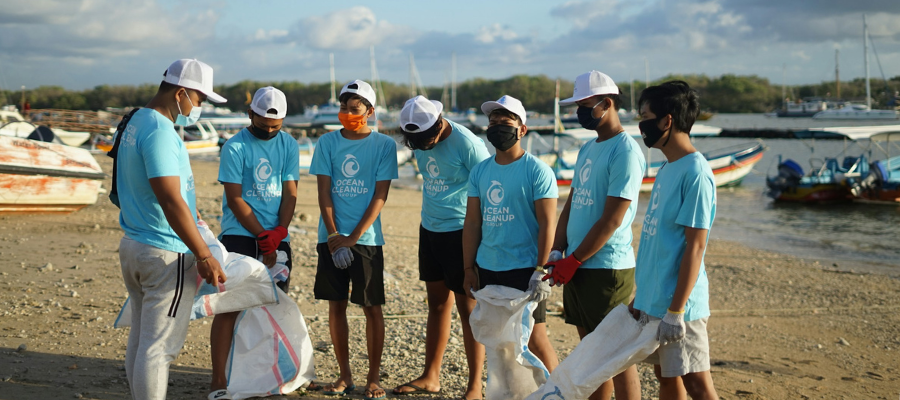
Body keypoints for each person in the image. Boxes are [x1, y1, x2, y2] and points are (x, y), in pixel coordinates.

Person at [115, 59, 227, 400]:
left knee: (142, 340)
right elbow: (170, 198)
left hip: (134, 242)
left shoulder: (135, 120)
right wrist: (203, 253)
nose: (200, 107)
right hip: (166, 251)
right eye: (200, 99)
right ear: (181, 93)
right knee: (159, 349)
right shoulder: (161, 132)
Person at [544, 71, 645, 400]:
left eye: (586, 105)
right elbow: (573, 203)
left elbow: (613, 218)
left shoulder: (625, 152)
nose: (581, 112)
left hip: (606, 268)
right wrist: (558, 250)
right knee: (591, 352)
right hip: (577, 264)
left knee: (616, 357)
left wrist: (575, 259)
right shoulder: (589, 149)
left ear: (608, 103)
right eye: (578, 106)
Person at [392, 96, 491, 400]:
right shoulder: (422, 141)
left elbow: (487, 191)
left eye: (424, 139)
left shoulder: (468, 144)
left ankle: (475, 385)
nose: (421, 146)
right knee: (436, 304)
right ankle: (430, 376)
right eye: (415, 142)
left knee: (468, 310)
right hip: (430, 229)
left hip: (461, 232)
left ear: (438, 123)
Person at [207, 86, 299, 400]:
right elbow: (234, 198)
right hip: (240, 236)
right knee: (230, 308)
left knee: (271, 310)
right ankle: (218, 379)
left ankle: (266, 379)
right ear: (251, 115)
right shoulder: (235, 147)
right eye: (263, 125)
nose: (270, 131)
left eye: (276, 126)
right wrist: (261, 235)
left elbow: (291, 192)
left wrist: (279, 231)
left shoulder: (289, 144)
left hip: (276, 238)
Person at [310, 80, 399, 400]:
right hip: (331, 237)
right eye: (344, 108)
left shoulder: (384, 146)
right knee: (337, 307)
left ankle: (373, 379)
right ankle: (344, 375)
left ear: (370, 112)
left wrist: (354, 237)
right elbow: (324, 191)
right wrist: (335, 235)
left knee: (371, 307)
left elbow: (380, 195)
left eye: (355, 108)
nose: (347, 113)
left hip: (367, 240)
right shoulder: (327, 142)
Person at [630, 80, 719, 400]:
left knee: (697, 382)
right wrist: (643, 296)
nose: (641, 125)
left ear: (667, 120)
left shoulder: (696, 172)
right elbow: (659, 241)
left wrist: (677, 311)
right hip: (656, 300)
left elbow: (695, 247)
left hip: (681, 305)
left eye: (645, 116)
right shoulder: (668, 168)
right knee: (666, 376)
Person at [462, 95, 559, 374]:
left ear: (522, 129)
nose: (497, 126)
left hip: (525, 269)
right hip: (488, 267)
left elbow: (547, 224)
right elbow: (472, 222)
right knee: (499, 342)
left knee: (535, 339)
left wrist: (542, 270)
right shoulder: (480, 171)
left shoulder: (537, 171)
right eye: (493, 121)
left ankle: (557, 393)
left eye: (505, 121)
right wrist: (469, 267)